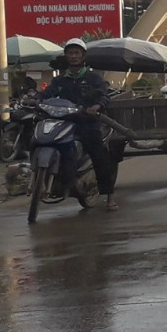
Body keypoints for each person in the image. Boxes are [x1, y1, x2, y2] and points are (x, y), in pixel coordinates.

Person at [37, 38, 117, 211]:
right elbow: (46, 94)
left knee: (99, 155)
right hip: (65, 122)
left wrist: (97, 106)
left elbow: (104, 95)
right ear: (66, 56)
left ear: (83, 56)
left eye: (76, 53)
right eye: (70, 53)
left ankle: (109, 196)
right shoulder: (60, 80)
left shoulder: (93, 78)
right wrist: (34, 99)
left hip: (87, 122)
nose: (73, 56)